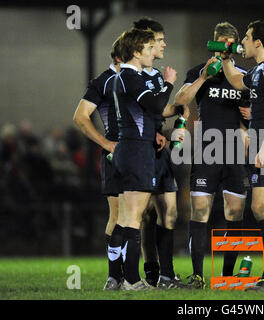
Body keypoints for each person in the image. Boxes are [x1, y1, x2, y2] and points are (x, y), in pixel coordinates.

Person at [174, 22, 248, 289]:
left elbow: (252, 112)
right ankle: (197, 276)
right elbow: (180, 101)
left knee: (234, 213)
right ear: (215, 43)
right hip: (207, 150)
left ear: (236, 47)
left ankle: (227, 277)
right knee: (200, 211)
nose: (225, 47)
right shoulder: (198, 71)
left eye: (230, 42)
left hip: (234, 153)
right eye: (221, 41)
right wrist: (204, 76)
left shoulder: (243, 75)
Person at [220, 20, 264, 291]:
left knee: (261, 207)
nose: (244, 42)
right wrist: (226, 59)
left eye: (248, 37)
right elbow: (238, 80)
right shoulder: (262, 68)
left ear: (258, 42)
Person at [109, 28, 177, 290]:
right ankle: (132, 279)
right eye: (149, 48)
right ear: (136, 52)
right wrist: (169, 82)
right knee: (133, 218)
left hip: (129, 148)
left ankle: (119, 277)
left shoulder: (121, 76)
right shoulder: (131, 76)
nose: (153, 53)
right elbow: (156, 105)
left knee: (126, 218)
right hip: (137, 150)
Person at [133, 17, 188, 289]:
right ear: (146, 43)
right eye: (159, 39)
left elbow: (158, 110)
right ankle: (140, 273)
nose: (164, 43)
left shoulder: (153, 74)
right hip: (142, 150)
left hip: (160, 149)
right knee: (142, 215)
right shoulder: (130, 74)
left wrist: (177, 111)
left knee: (170, 211)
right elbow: (143, 110)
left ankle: (166, 275)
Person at [73, 37, 123, 290]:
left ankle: (142, 274)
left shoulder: (140, 79)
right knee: (117, 214)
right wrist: (105, 143)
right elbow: (80, 116)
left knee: (141, 215)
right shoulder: (103, 81)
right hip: (116, 155)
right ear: (119, 57)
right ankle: (115, 276)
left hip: (142, 155)